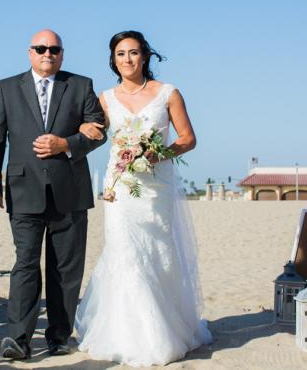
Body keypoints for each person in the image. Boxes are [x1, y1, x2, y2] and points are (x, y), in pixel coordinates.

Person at [73, 31, 212, 366]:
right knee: (124, 251)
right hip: (120, 186)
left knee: (158, 252)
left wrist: (159, 153)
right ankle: (124, 333)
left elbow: (188, 138)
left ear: (145, 56)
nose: (128, 60)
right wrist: (83, 131)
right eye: (121, 54)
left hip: (155, 186)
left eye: (134, 53)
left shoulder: (167, 93)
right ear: (113, 59)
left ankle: (164, 330)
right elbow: (95, 132)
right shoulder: (105, 98)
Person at [0, 29, 106, 359]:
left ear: (62, 54)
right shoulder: (8, 88)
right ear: (29, 52)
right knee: (25, 263)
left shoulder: (81, 85)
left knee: (65, 268)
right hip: (23, 192)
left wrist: (66, 144)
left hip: (71, 191)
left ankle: (59, 336)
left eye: (54, 49)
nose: (47, 53)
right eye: (41, 48)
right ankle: (18, 339)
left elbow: (98, 132)